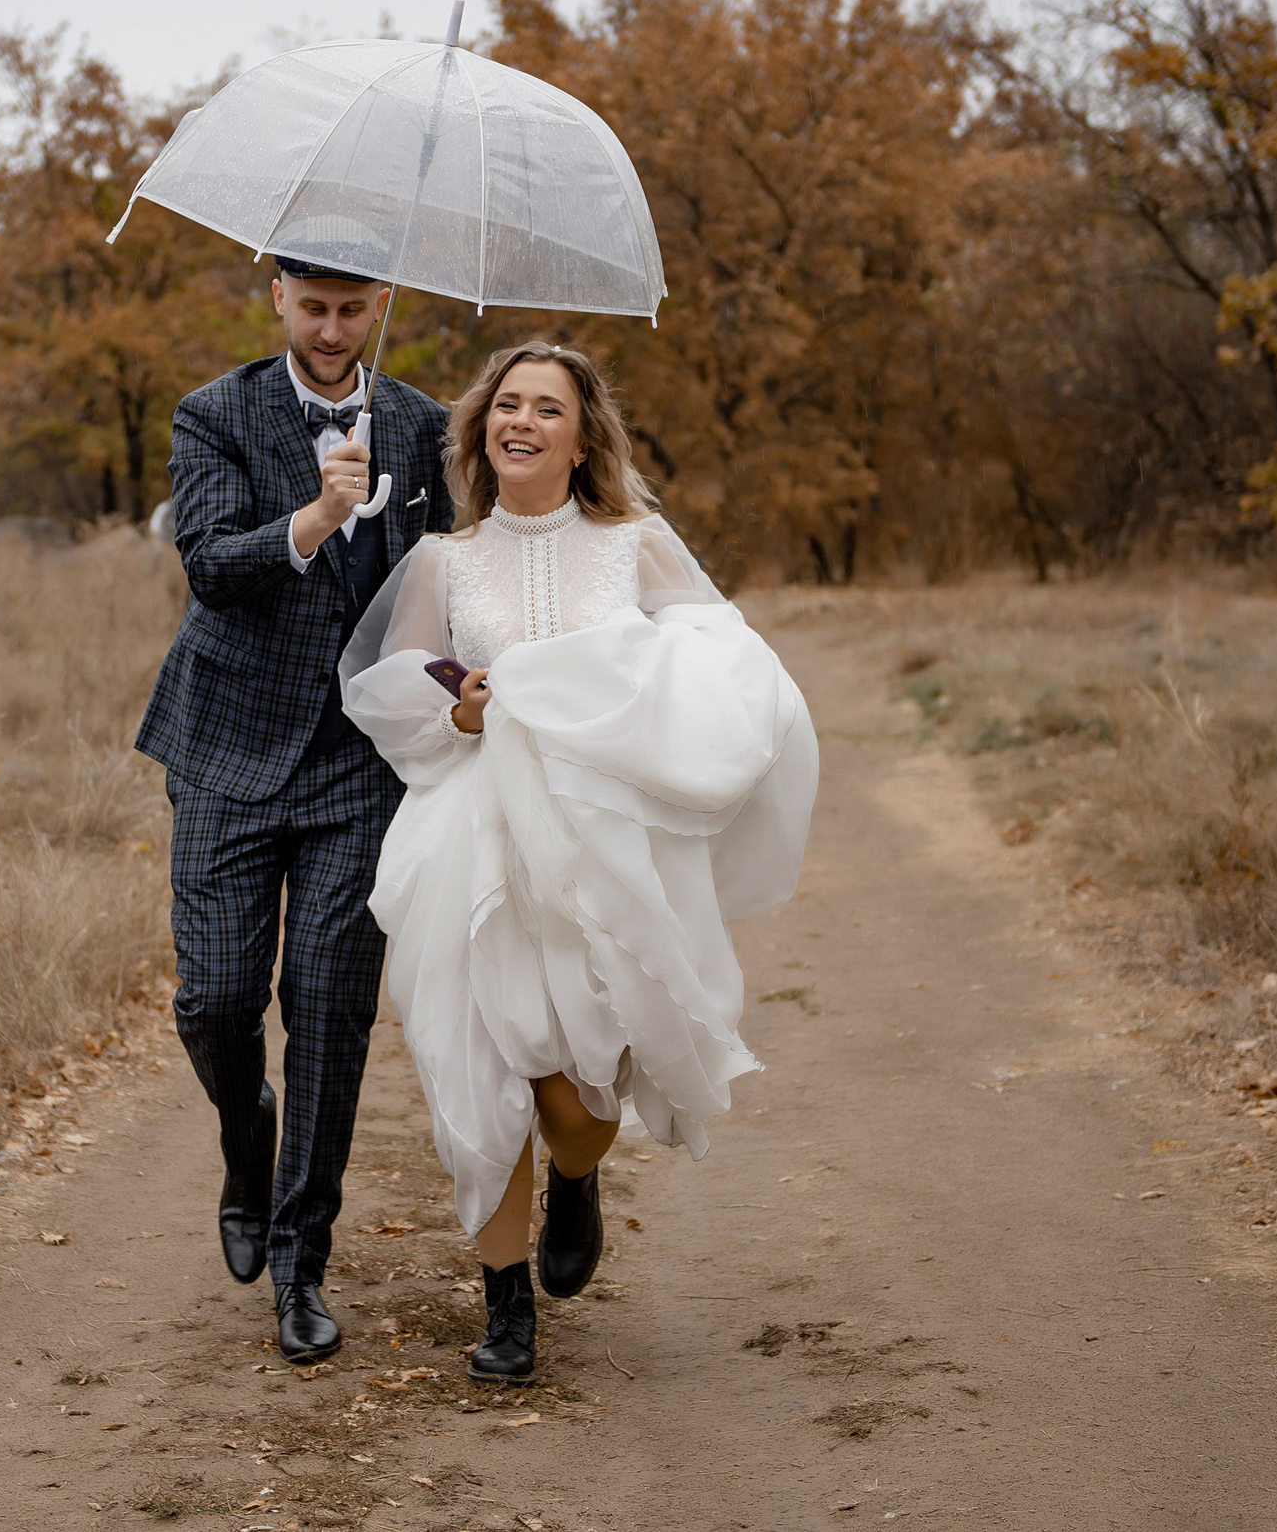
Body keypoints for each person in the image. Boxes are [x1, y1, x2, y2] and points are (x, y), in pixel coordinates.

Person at [339, 342, 817, 1384]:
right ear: (481, 430)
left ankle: (576, 1171)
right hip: (473, 832)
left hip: (601, 837)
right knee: (476, 1059)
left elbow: (722, 661)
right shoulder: (440, 562)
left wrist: (620, 690)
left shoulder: (635, 545)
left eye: (545, 408)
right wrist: (455, 705)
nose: (520, 420)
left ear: (581, 434)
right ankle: (504, 1303)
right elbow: (394, 691)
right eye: (505, 404)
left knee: (576, 1090)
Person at [136, 256, 455, 1363]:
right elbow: (212, 565)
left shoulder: (421, 426)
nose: (330, 329)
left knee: (327, 1007)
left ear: (379, 306)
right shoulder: (214, 414)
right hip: (228, 744)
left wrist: (471, 680)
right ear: (277, 298)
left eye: (351, 308)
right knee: (218, 998)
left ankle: (299, 1261)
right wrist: (320, 512)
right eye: (311, 307)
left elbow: (451, 580)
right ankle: (243, 1133)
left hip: (361, 761)